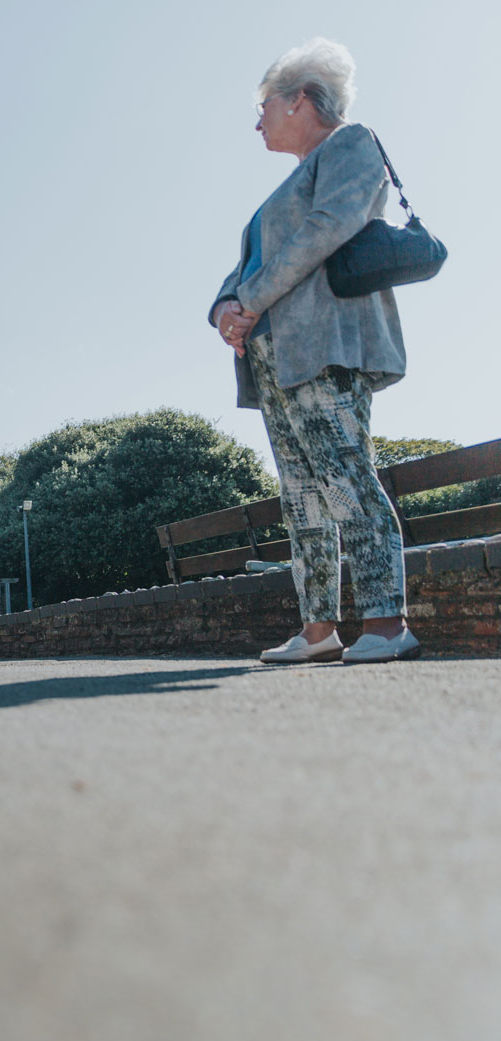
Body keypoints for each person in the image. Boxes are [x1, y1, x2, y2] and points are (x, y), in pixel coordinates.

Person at [209, 38, 417, 665]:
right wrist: (225, 308)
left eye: (264, 105)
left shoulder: (352, 145)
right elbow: (243, 267)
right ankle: (318, 630)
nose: (258, 120)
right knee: (301, 496)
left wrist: (249, 297)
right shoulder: (277, 195)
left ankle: (386, 623)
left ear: (300, 98)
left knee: (345, 479)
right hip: (273, 360)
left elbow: (330, 226)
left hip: (327, 346)